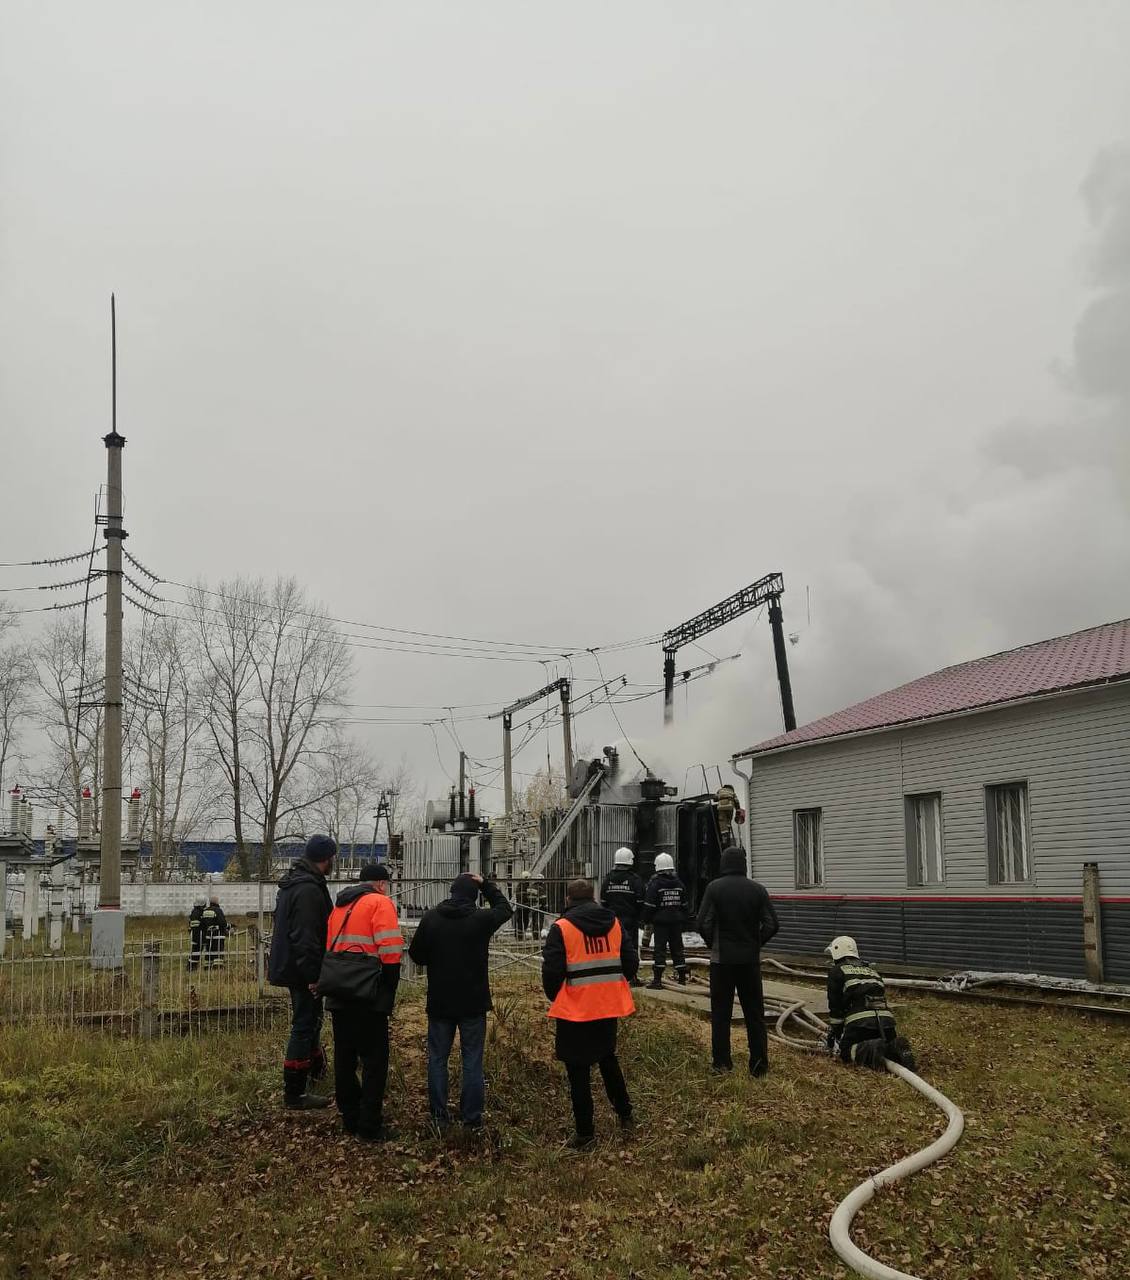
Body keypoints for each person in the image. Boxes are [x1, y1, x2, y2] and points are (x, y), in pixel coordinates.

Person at [408, 872, 512, 1131]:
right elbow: (505, 909)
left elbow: (416, 955)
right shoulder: (481, 919)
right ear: (474, 895)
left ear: (452, 892)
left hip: (440, 1002)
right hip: (473, 1002)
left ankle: (438, 1118)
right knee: (472, 1060)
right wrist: (487, 885)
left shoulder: (431, 918)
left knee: (437, 1059)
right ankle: (472, 1120)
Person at [543, 878, 636, 1150]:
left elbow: (551, 971)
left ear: (568, 900)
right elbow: (631, 962)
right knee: (608, 1059)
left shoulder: (562, 928)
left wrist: (556, 995)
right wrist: (611, 984)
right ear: (594, 897)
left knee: (578, 1072)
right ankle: (626, 1115)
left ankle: (585, 1133)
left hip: (575, 1009)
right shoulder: (614, 923)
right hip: (608, 1005)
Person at [324, 863, 403, 1141]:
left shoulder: (340, 905)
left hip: (338, 989)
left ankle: (350, 1116)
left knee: (344, 1058)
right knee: (374, 1061)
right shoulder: (380, 904)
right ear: (381, 884)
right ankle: (370, 1126)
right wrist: (389, 990)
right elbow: (391, 950)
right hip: (367, 991)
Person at [695, 844, 779, 1076]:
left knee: (721, 1015)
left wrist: (712, 943)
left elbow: (702, 923)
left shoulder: (714, 888)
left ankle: (722, 1064)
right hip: (749, 961)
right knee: (755, 1015)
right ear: (743, 865)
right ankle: (759, 1067)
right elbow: (773, 924)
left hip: (722, 962)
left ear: (723, 864)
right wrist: (755, 943)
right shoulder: (758, 890)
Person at [268, 833, 336, 1110]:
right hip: (301, 969)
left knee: (312, 1019)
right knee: (304, 1024)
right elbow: (306, 937)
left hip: (292, 965)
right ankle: (294, 1091)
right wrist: (313, 976)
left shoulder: (295, 883)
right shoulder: (308, 889)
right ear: (326, 859)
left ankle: (314, 1069)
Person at [824, 936, 916, 1071]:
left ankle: (871, 1048)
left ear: (837, 952)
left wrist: (836, 1033)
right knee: (886, 1048)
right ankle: (895, 1045)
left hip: (860, 1024)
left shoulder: (837, 971)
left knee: (846, 1052)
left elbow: (836, 1006)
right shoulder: (872, 971)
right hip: (886, 1024)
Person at [642, 853, 690, 988]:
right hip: (676, 923)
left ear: (657, 868)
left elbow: (649, 905)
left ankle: (657, 980)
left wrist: (646, 920)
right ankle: (682, 979)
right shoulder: (679, 884)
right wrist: (683, 919)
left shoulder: (655, 884)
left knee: (660, 950)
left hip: (661, 924)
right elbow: (685, 905)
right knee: (678, 949)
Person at [600, 848, 645, 987]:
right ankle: (630, 977)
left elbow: (603, 901)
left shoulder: (608, 879)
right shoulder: (635, 880)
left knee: (612, 948)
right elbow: (641, 901)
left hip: (611, 921)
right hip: (630, 921)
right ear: (630, 862)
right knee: (629, 949)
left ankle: (612, 976)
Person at [513, 871, 544, 941]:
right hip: (523, 907)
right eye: (529, 878)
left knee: (522, 922)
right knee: (523, 922)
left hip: (522, 907)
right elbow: (524, 898)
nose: (530, 880)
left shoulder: (521, 886)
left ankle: (519, 937)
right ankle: (520, 938)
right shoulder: (524, 886)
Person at [201, 894, 229, 968]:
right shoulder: (218, 910)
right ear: (217, 902)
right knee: (218, 949)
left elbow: (203, 923)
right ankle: (218, 965)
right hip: (218, 934)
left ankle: (207, 965)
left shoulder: (205, 911)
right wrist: (228, 926)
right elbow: (222, 922)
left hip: (208, 934)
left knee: (209, 950)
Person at [187, 897, 206, 971]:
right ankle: (191, 967)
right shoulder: (197, 913)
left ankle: (192, 966)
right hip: (197, 936)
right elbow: (196, 927)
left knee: (196, 952)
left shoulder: (195, 911)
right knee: (195, 951)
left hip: (196, 935)